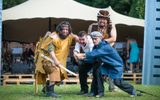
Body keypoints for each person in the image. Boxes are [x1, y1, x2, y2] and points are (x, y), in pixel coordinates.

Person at [76, 31, 136, 98]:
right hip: (107, 65)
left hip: (116, 66)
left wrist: (83, 55)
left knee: (117, 82)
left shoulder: (105, 47)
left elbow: (96, 53)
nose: (93, 40)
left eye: (95, 39)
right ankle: (99, 92)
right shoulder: (95, 47)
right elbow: (94, 58)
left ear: (101, 38)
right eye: (92, 39)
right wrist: (83, 60)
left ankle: (132, 90)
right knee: (98, 71)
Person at [35, 21, 79, 98]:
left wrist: (78, 38)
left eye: (67, 29)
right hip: (47, 60)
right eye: (63, 29)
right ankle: (50, 92)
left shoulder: (69, 35)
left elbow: (74, 36)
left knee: (61, 76)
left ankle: (47, 88)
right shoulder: (53, 37)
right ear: (59, 29)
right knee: (55, 70)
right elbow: (51, 50)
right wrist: (55, 61)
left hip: (59, 62)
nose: (65, 31)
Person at [88, 10, 117, 91]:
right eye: (100, 18)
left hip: (109, 50)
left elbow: (113, 38)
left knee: (110, 67)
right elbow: (89, 39)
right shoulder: (92, 26)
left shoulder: (111, 26)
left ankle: (112, 86)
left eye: (104, 19)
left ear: (107, 20)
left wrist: (102, 45)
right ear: (98, 19)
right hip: (96, 50)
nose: (102, 20)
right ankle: (97, 88)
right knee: (97, 69)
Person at [73, 31, 94, 95]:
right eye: (80, 39)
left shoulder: (91, 41)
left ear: (87, 38)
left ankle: (94, 91)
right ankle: (84, 90)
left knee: (95, 74)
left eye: (83, 39)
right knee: (81, 70)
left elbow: (91, 54)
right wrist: (75, 54)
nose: (81, 41)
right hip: (86, 59)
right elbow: (76, 50)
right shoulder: (79, 41)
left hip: (95, 58)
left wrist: (80, 55)